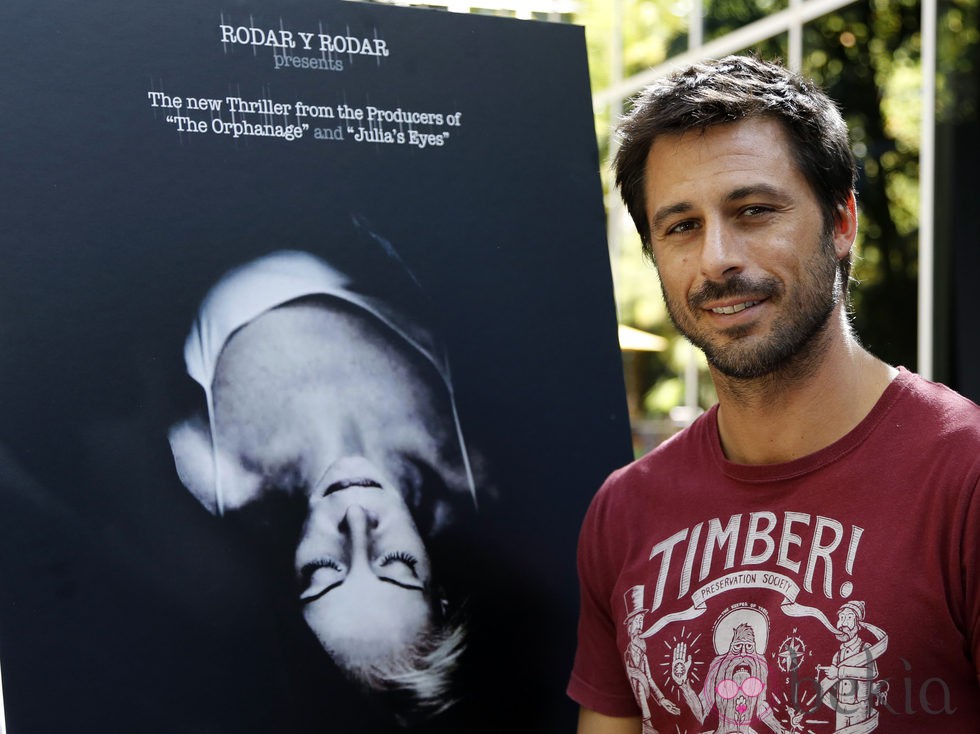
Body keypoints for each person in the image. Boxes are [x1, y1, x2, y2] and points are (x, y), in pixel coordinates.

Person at [567, 55, 980, 734]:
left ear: (842, 223)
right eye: (681, 226)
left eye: (753, 210)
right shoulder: (624, 513)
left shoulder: (961, 477)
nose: (717, 259)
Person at [167, 230, 477, 719]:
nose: (356, 523)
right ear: (437, 589)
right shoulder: (467, 465)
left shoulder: (214, 470)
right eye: (396, 563)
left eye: (322, 572)